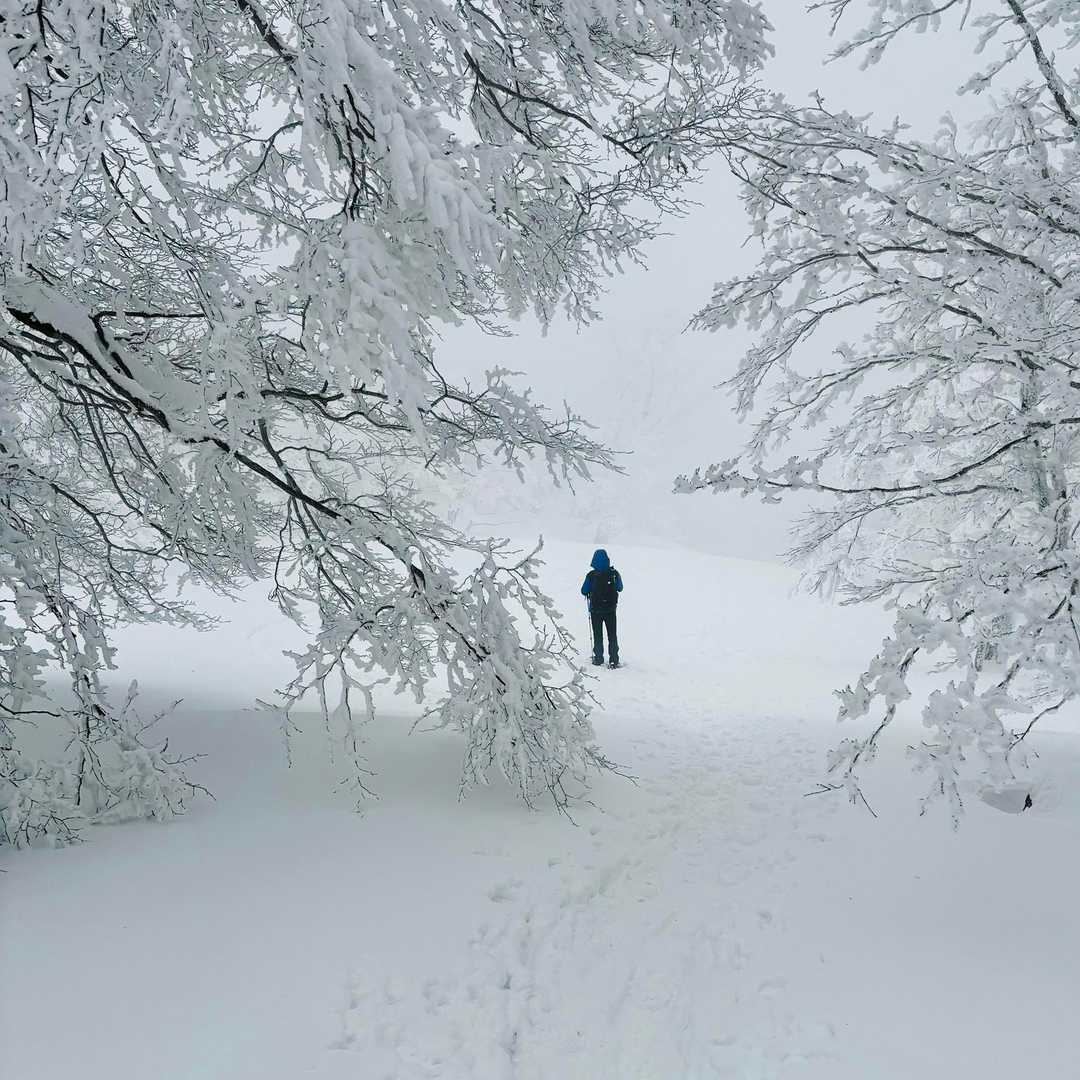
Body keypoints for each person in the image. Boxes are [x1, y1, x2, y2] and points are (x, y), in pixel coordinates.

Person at [581, 548, 623, 668]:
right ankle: (614, 660)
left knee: (598, 635)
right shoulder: (614, 573)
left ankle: (598, 658)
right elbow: (620, 588)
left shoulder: (591, 575)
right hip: (611, 610)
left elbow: (583, 590)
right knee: (612, 635)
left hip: (595, 611)